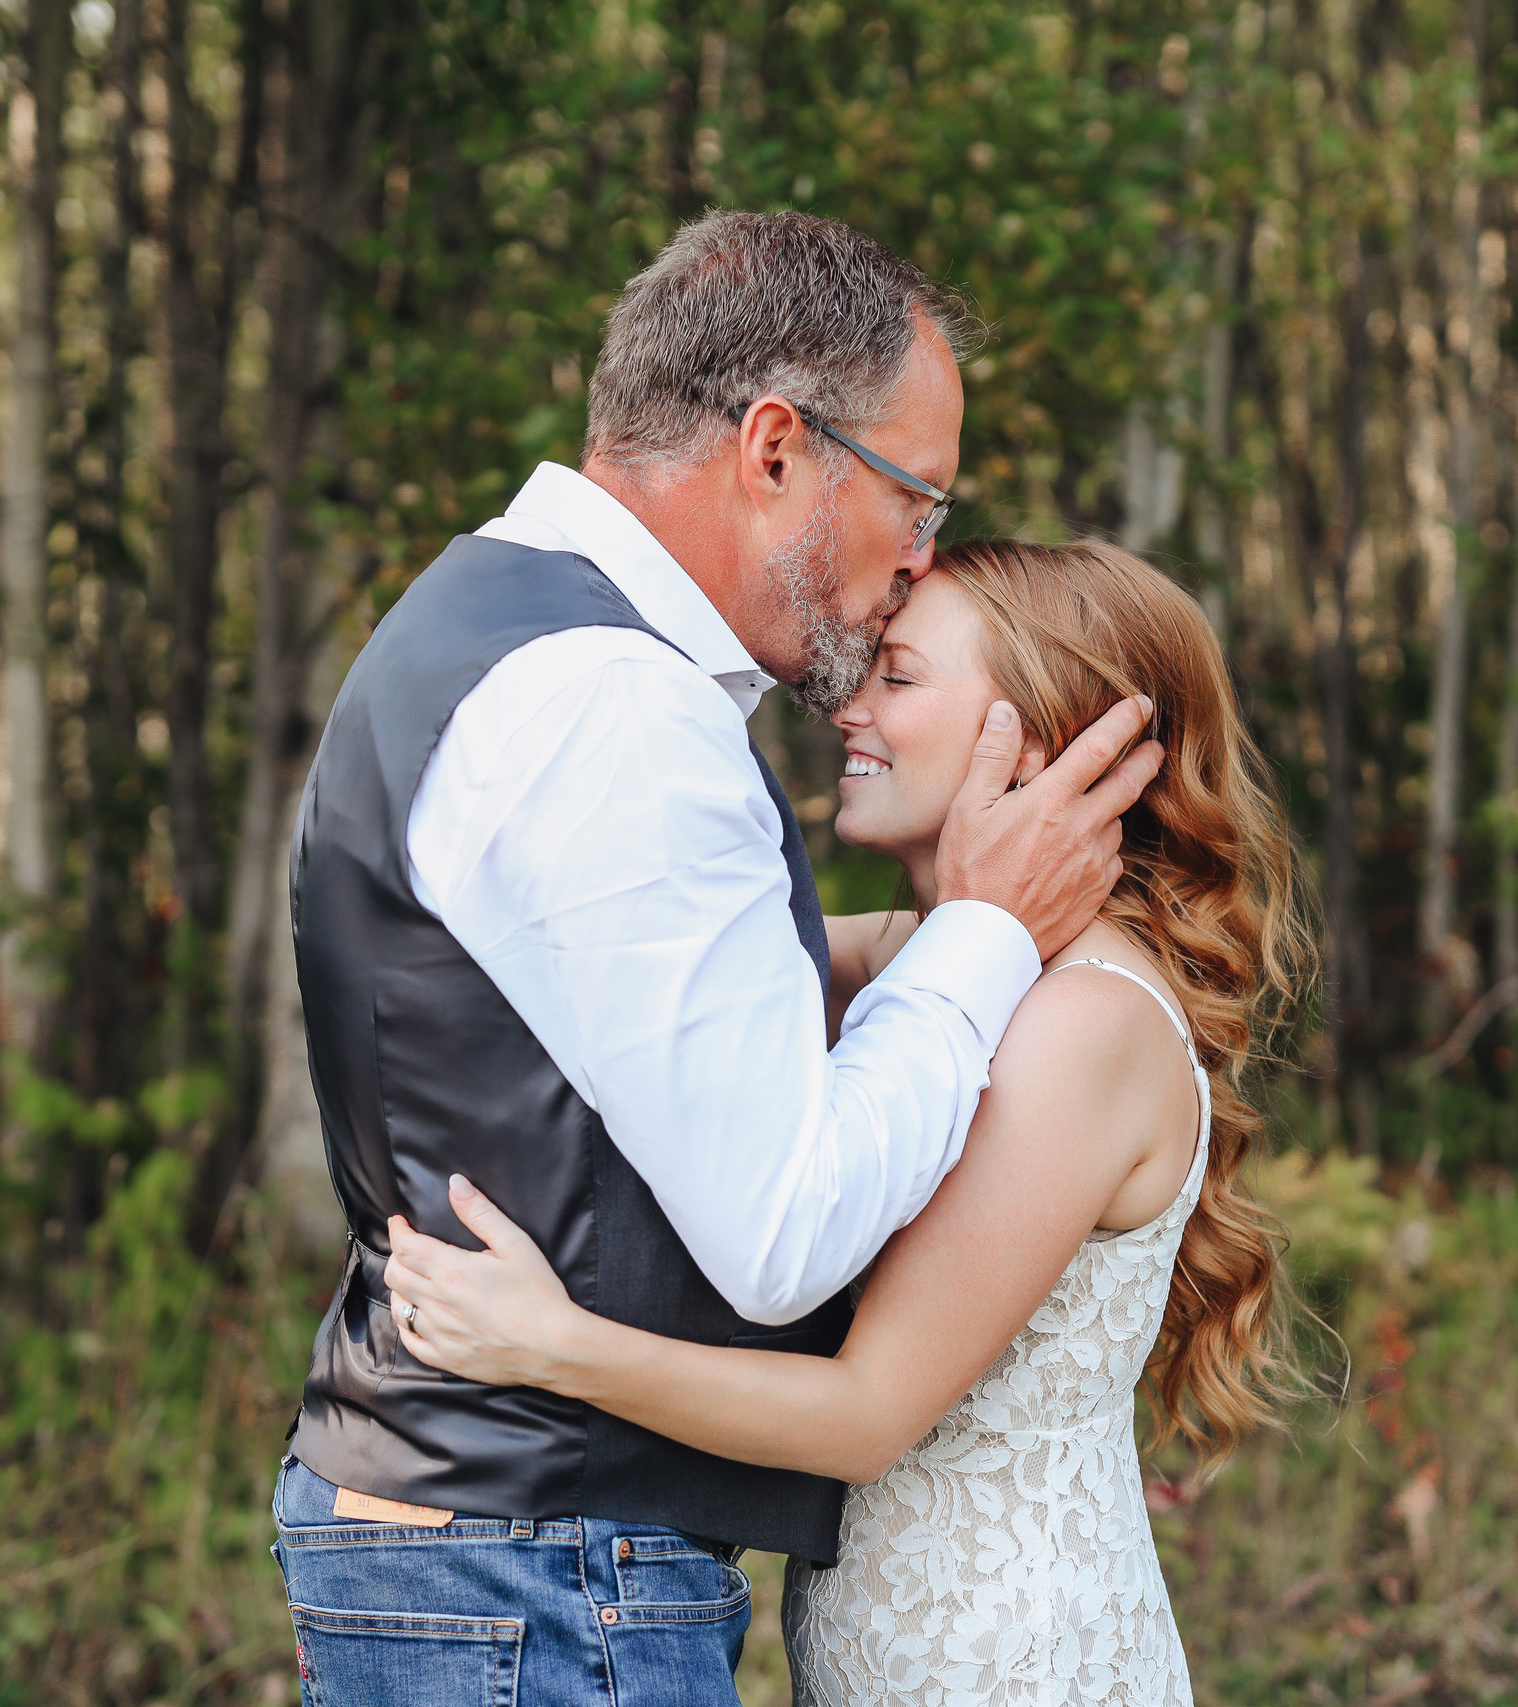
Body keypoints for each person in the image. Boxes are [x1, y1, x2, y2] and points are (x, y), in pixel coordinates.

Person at [268, 212, 1163, 1707]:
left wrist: (961, 934)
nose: (920, 553)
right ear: (774, 450)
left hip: (477, 1544)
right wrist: (991, 935)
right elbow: (786, 1230)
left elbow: (623, 1023)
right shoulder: (619, 705)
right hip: (532, 1564)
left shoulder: (501, 630)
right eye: (916, 497)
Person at [385, 539, 1312, 1706]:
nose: (847, 705)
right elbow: (669, 966)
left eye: (901, 679)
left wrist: (550, 1345)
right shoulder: (957, 957)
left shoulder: (1081, 1023)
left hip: (1018, 1674)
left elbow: (866, 1417)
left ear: (1045, 740)